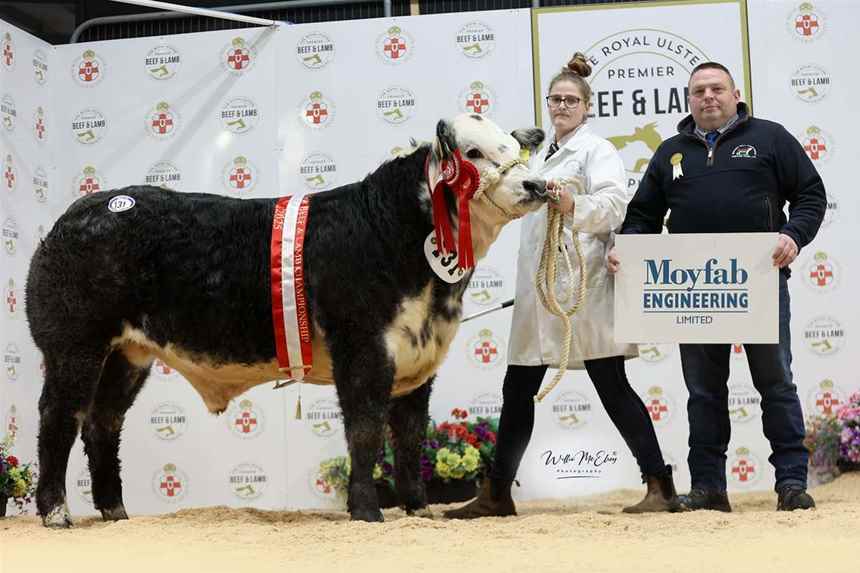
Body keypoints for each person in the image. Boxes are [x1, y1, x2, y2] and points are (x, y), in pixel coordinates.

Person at [444, 53, 680, 519]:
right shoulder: (536, 155)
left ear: (588, 106)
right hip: (539, 289)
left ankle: (660, 485)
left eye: (571, 99)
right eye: (556, 99)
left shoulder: (599, 150)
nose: (562, 105)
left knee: (612, 385)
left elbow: (615, 206)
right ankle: (497, 493)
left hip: (583, 285)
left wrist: (572, 203)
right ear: (548, 104)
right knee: (517, 387)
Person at [607, 62, 826, 512]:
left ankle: (790, 484)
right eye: (699, 91)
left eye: (717, 89)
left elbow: (811, 194)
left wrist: (794, 235)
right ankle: (709, 488)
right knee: (704, 391)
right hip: (695, 291)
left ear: (736, 93)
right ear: (688, 99)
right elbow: (643, 216)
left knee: (776, 383)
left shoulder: (770, 137)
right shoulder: (670, 151)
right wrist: (627, 249)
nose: (708, 97)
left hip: (760, 283)